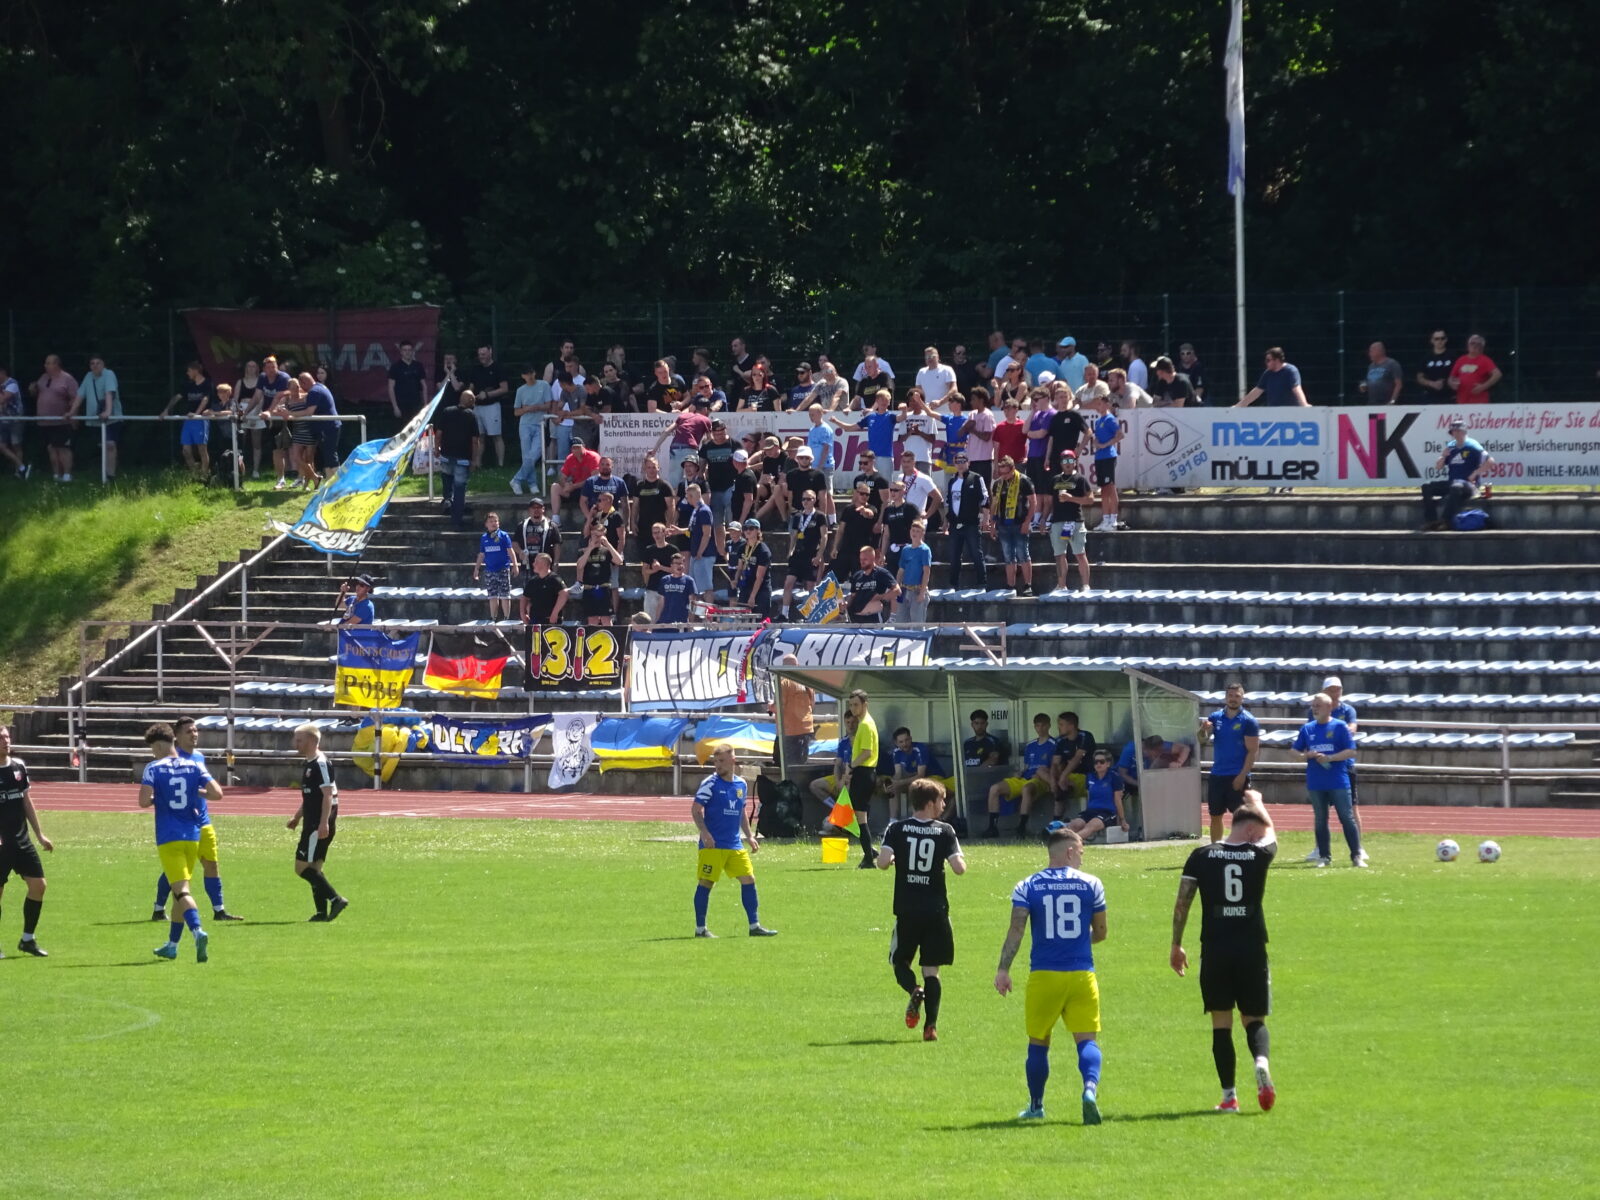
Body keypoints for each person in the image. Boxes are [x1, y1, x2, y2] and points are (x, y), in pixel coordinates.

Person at [1170, 791, 1278, 1114]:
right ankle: (1261, 1061)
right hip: (1252, 947)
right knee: (1254, 1019)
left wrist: (1176, 944)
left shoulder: (1201, 855)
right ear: (1249, 832)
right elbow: (1271, 833)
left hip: (1215, 947)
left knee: (1221, 1022)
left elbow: (1182, 904)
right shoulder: (1258, 854)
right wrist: (1258, 802)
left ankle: (1229, 1096)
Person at [995, 824, 1108, 1126]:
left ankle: (1036, 1105)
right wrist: (1080, 940)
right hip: (1082, 974)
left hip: (1044, 975)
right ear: (1069, 851)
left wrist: (1003, 969)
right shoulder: (1092, 884)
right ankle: (1089, 1090)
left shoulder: (1027, 885)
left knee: (1038, 1042)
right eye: (1081, 852)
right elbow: (1101, 932)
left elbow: (1016, 930)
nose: (1082, 858)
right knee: (1087, 1041)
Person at [877, 778, 966, 1041]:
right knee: (932, 969)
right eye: (941, 800)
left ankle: (914, 989)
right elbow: (960, 869)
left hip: (907, 908)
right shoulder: (945, 830)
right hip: (936, 910)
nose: (944, 804)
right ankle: (931, 1027)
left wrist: (893, 858)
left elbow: (882, 863)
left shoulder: (897, 829)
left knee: (900, 962)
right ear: (929, 803)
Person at [147, 716, 242, 923]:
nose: (194, 734)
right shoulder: (170, 759)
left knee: (211, 864)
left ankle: (219, 911)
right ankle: (159, 908)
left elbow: (209, 791)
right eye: (189, 731)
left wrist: (196, 793)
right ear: (177, 737)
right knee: (176, 872)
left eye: (196, 730)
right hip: (181, 824)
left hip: (203, 820)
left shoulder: (198, 757)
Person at [139, 722, 220, 962]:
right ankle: (172, 945)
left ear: (160, 745)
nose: (153, 754)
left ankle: (197, 931)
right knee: (179, 892)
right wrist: (196, 792)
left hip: (168, 837)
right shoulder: (193, 765)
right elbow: (217, 793)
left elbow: (143, 801)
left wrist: (158, 798)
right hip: (193, 835)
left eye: (154, 749)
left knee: (182, 891)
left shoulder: (154, 768)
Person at [691, 744, 777, 938]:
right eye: (715, 761)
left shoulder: (741, 784)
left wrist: (749, 835)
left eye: (721, 761)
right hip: (713, 846)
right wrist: (705, 833)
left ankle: (754, 926)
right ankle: (700, 929)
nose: (717, 765)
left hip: (734, 844)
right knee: (706, 882)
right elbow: (696, 809)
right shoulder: (710, 784)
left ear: (732, 761)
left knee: (749, 879)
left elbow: (741, 812)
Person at [0, 725, 53, 957]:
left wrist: (40, 834)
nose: (5, 741)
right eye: (1, 738)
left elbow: (26, 801)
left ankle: (27, 939)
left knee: (38, 886)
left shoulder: (18, 766)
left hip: (21, 840)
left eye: (7, 736)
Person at [1294, 693, 1363, 868]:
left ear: (1328, 707)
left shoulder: (1339, 727)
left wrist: (1330, 758)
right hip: (1316, 781)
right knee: (1320, 819)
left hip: (1338, 780)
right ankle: (1324, 856)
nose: (1315, 708)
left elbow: (1351, 751)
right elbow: (1294, 751)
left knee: (1346, 818)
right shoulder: (1308, 729)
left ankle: (1356, 855)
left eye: (1318, 705)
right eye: (1313, 705)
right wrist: (1305, 755)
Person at [286, 724, 348, 921]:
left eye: (299, 740)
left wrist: (323, 823)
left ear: (312, 741)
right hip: (313, 820)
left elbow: (328, 796)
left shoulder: (320, 764)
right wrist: (297, 816)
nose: (296, 744)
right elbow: (310, 797)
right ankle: (321, 913)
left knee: (302, 868)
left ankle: (336, 899)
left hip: (317, 823)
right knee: (315, 867)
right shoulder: (309, 763)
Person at [1201, 680, 1261, 844]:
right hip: (1218, 774)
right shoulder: (1215, 717)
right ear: (1225, 697)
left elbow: (1252, 751)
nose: (1233, 699)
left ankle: (1244, 847)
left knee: (1240, 816)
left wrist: (1242, 775)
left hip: (1237, 774)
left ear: (1242, 698)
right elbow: (1202, 740)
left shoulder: (1248, 721)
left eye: (1237, 696)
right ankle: (1216, 850)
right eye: (1230, 695)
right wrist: (1202, 730)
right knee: (1215, 815)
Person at [984, 712, 1058, 839]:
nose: (1040, 729)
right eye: (1037, 726)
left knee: (1027, 788)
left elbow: (1055, 767)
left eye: (1043, 726)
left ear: (1049, 726)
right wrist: (1020, 772)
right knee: (995, 789)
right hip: (1025, 777)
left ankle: (1021, 827)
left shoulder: (1054, 744)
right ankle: (992, 827)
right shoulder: (1030, 745)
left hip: (1040, 779)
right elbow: (1028, 765)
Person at [1419, 416, 1490, 531]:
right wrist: (1443, 456)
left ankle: (1445, 521)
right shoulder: (1451, 447)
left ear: (1464, 431)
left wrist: (1475, 473)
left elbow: (1490, 462)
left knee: (1456, 486)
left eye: (1458, 431)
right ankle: (1431, 521)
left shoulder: (1473, 445)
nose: (1455, 434)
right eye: (1453, 432)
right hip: (1453, 482)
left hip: (1468, 485)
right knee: (1426, 486)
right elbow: (1438, 467)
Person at [985, 456, 1035, 596]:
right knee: (1008, 556)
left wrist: (1027, 522)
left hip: (1020, 523)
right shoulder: (998, 484)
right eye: (1002, 473)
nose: (1004, 476)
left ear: (1013, 469)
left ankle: (1028, 585)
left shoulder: (1024, 480)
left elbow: (1033, 502)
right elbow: (994, 505)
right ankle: (1010, 585)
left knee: (1023, 554)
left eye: (1006, 473)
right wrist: (992, 524)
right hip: (1003, 524)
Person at [843, 689, 881, 866]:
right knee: (859, 814)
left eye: (856, 704)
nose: (853, 708)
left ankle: (868, 857)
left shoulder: (865, 725)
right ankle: (869, 849)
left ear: (865, 704)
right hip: (865, 773)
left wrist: (851, 766)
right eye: (851, 705)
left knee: (860, 816)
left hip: (864, 772)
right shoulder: (866, 723)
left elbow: (867, 752)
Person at [162, 360, 217, 481]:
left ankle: (204, 476)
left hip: (201, 419)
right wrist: (166, 410)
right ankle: (195, 475)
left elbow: (205, 399)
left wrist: (196, 414)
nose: (187, 373)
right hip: (188, 420)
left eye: (189, 371)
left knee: (202, 449)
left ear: (196, 370)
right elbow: (177, 397)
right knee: (186, 451)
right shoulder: (188, 385)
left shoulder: (207, 383)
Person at [1046, 451, 1093, 592]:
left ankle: (1085, 585)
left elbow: (1090, 499)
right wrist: (1043, 519)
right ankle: (1061, 585)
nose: (1068, 464)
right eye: (1065, 462)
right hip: (1057, 521)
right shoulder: (1054, 479)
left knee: (1080, 553)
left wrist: (1071, 498)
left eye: (1070, 461)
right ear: (1061, 464)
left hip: (1075, 521)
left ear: (1075, 462)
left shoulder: (1080, 479)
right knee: (1059, 555)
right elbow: (1048, 502)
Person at [883, 727, 949, 819]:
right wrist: (891, 784)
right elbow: (898, 773)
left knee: (916, 788)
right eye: (901, 742)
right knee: (894, 788)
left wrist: (898, 783)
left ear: (910, 739)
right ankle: (892, 821)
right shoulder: (896, 752)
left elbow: (921, 775)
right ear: (896, 743)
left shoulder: (920, 749)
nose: (904, 744)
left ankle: (918, 820)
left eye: (906, 740)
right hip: (917, 780)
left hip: (933, 778)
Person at [77, 354, 123, 481]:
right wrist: (71, 412)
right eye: (92, 363)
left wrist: (108, 411)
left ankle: (110, 475)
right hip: (94, 419)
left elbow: (110, 393)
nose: (95, 365)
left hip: (112, 418)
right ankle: (105, 473)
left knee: (110, 444)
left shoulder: (109, 374)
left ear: (103, 365)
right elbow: (80, 395)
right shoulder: (88, 377)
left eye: (98, 363)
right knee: (103, 446)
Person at [435, 389, 478, 527]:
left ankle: (447, 501)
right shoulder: (471, 416)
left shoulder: (447, 411)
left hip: (446, 456)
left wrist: (437, 448)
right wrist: (474, 459)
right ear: (471, 402)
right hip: (462, 458)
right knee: (459, 489)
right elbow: (475, 440)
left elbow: (439, 433)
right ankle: (456, 521)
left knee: (447, 480)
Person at [946, 452, 988, 589]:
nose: (960, 463)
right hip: (954, 524)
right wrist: (946, 521)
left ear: (968, 462)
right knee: (953, 556)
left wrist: (986, 519)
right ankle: (953, 584)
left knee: (976, 554)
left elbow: (985, 499)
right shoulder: (952, 481)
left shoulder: (976, 478)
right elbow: (949, 502)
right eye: (957, 461)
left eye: (963, 460)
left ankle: (982, 583)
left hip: (971, 524)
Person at [1066, 750, 1129, 841]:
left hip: (1107, 812)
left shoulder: (1114, 777)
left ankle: (1069, 843)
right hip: (1091, 810)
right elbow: (1089, 797)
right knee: (1075, 824)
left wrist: (1122, 820)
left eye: (1102, 762)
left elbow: (1118, 800)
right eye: (1096, 762)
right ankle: (1057, 839)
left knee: (1091, 825)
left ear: (1108, 763)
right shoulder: (1090, 776)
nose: (1098, 764)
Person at [510, 364, 552, 496]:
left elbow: (548, 405)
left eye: (532, 373)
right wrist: (527, 409)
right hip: (525, 425)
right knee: (527, 456)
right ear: (523, 376)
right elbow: (516, 412)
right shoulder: (520, 390)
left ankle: (517, 479)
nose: (530, 376)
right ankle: (532, 483)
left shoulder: (544, 385)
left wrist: (536, 407)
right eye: (527, 374)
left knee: (536, 453)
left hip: (540, 423)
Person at [466, 345, 510, 467]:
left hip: (492, 406)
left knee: (496, 436)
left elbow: (504, 389)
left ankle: (501, 464)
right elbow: (471, 387)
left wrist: (487, 394)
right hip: (477, 407)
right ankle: (477, 464)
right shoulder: (475, 369)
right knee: (479, 436)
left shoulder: (498, 368)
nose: (481, 357)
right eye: (480, 354)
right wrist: (469, 396)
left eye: (483, 354)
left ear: (490, 352)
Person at [474, 511, 522, 621]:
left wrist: (515, 565)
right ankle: (493, 617)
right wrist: (476, 568)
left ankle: (506, 618)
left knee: (505, 595)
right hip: (490, 570)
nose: (494, 523)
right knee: (492, 595)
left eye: (495, 521)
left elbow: (510, 551)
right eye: (491, 521)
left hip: (503, 569)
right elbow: (482, 554)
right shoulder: (484, 538)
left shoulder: (504, 535)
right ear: (486, 524)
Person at [771, 654, 815, 771]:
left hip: (788, 732)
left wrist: (770, 707)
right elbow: (812, 704)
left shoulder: (784, 683)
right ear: (798, 666)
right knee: (800, 766)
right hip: (806, 730)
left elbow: (779, 707)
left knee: (781, 765)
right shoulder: (807, 683)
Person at [1087, 387, 1122, 533]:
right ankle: (1106, 518)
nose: (1097, 407)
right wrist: (1095, 442)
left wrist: (1105, 444)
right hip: (1100, 456)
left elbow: (1120, 435)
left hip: (1108, 456)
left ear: (1107, 405)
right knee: (1104, 489)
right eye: (1097, 404)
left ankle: (1113, 519)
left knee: (1110, 487)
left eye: (1100, 404)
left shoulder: (1109, 419)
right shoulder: (1099, 420)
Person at [1049, 712, 1096, 818]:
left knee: (1065, 784)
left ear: (1071, 725)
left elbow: (1077, 758)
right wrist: (1052, 780)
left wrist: (1063, 776)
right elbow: (1055, 763)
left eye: (1061, 724)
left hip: (1087, 775)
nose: (1058, 727)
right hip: (1069, 776)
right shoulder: (1060, 740)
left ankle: (1058, 820)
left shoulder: (1085, 736)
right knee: (1058, 784)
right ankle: (1057, 822)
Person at [575, 529, 623, 626]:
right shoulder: (583, 551)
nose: (597, 538)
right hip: (589, 588)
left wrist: (608, 544)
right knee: (592, 619)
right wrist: (590, 548)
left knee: (606, 618)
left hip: (603, 588)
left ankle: (609, 639)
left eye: (599, 536)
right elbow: (580, 566)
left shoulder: (606, 551)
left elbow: (619, 561)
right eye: (595, 535)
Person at [1236, 347, 1309, 409]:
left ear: (1277, 360)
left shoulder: (1291, 371)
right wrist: (1240, 405)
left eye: (1268, 360)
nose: (1266, 362)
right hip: (1273, 412)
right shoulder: (1268, 373)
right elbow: (1257, 391)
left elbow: (1296, 389)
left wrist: (1304, 405)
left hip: (1290, 411)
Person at [846, 544, 898, 624]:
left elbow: (897, 590)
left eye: (865, 559)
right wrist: (845, 605)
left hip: (873, 619)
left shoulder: (881, 573)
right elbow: (853, 596)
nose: (862, 562)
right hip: (855, 619)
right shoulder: (856, 575)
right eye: (861, 559)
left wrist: (882, 599)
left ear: (873, 558)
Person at [893, 519, 933, 624]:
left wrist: (922, 592)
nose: (914, 533)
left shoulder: (925, 550)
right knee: (900, 622)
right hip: (904, 589)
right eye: (913, 530)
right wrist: (897, 586)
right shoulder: (906, 549)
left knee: (917, 623)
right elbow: (901, 570)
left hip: (917, 590)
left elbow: (926, 572)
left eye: (917, 531)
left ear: (922, 533)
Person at [732, 519, 773, 615]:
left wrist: (752, 596)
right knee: (742, 620)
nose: (747, 531)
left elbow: (760, 578)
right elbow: (740, 567)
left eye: (751, 528)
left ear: (758, 530)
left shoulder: (763, 551)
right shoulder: (742, 548)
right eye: (745, 528)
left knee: (760, 621)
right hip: (746, 587)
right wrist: (736, 579)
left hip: (761, 590)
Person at [684, 482, 718, 596]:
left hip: (704, 555)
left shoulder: (704, 511)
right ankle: (695, 613)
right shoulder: (696, 510)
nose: (687, 499)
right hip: (696, 554)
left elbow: (706, 533)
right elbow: (693, 530)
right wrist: (679, 530)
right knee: (695, 589)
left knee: (706, 588)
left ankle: (708, 612)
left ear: (694, 496)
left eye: (688, 496)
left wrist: (700, 552)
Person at [550, 437, 601, 513]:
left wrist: (573, 486)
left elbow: (594, 479)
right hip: (574, 489)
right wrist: (565, 485)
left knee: (590, 489)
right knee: (555, 487)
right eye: (574, 448)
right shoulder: (570, 458)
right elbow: (562, 477)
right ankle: (555, 519)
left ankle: (590, 520)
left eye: (578, 447)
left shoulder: (593, 457)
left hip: (589, 489)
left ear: (583, 446)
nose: (576, 450)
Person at [1448, 334, 1502, 404]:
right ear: (1468, 345)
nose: (1475, 345)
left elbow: (1497, 374)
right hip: (1461, 401)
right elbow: (1451, 378)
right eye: (1472, 343)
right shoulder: (1461, 360)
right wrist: (1452, 384)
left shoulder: (1485, 360)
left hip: (1479, 401)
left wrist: (1483, 386)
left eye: (1478, 344)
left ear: (1482, 347)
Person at [521, 552, 568, 627]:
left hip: (550, 620)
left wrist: (555, 613)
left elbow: (564, 593)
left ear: (543, 564)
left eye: (536, 562)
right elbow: (525, 597)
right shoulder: (532, 581)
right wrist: (523, 614)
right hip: (535, 620)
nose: (533, 564)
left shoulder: (554, 579)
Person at [387, 339, 428, 422]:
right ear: (401, 352)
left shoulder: (418, 366)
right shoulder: (395, 367)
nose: (407, 352)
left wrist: (425, 405)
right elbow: (391, 388)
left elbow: (424, 386)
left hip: (416, 404)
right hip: (401, 405)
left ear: (412, 351)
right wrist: (395, 407)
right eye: (405, 350)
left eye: (409, 350)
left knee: (417, 429)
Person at [654, 552, 700, 626]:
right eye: (677, 563)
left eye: (682, 563)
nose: (680, 566)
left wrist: (690, 623)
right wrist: (656, 620)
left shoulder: (689, 581)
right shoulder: (664, 580)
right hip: (664, 620)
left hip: (681, 622)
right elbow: (661, 602)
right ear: (671, 565)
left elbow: (692, 603)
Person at [518, 495, 562, 570]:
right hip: (527, 564)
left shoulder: (551, 526)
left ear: (543, 509)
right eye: (533, 508)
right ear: (529, 510)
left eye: (538, 507)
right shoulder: (522, 525)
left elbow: (557, 545)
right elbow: (514, 542)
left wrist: (556, 563)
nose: (536, 510)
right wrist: (520, 552)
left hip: (545, 565)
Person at [1416, 330, 1455, 402]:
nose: (1440, 341)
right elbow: (1419, 377)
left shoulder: (1453, 356)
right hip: (1429, 397)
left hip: (1449, 396)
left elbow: (1459, 375)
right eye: (1436, 339)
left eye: (1442, 338)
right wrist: (1431, 383)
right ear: (1432, 340)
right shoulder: (1426, 357)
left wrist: (1448, 381)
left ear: (1446, 340)